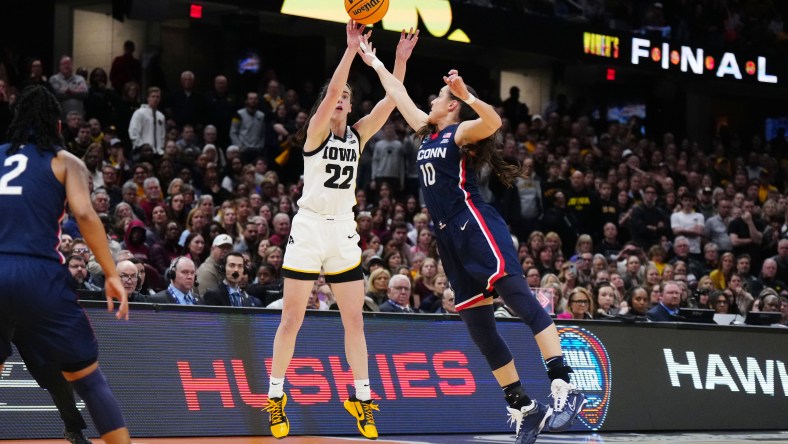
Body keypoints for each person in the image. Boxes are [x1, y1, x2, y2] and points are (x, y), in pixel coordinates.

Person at [358, 37, 585, 443]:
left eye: (440, 97)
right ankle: (523, 406)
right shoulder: (427, 133)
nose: (431, 100)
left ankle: (564, 384)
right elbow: (398, 93)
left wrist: (467, 95)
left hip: (475, 224)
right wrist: (381, 60)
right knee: (480, 329)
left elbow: (494, 123)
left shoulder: (460, 131)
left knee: (519, 300)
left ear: (452, 105)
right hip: (448, 239)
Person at [265, 21, 418, 441]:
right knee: (292, 318)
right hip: (309, 227)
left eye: (347, 98)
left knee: (355, 320)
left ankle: (362, 398)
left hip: (343, 232)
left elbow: (392, 100)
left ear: (350, 109)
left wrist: (399, 61)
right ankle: (276, 396)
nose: (340, 100)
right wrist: (351, 50)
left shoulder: (358, 135)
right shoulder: (315, 133)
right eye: (337, 97)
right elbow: (332, 90)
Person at [0, 85, 130, 444]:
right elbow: (85, 214)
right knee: (88, 379)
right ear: (57, 125)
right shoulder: (65, 161)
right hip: (38, 274)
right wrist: (112, 272)